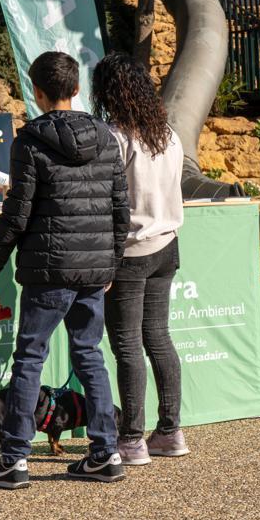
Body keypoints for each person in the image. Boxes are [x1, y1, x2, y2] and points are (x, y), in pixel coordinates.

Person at [0, 51, 130, 489]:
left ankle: (14, 460)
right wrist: (111, 262)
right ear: (76, 89)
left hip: (48, 270)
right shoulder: (105, 136)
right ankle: (105, 452)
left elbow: (16, 215)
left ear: (37, 92)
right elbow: (122, 208)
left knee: (29, 359)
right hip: (94, 269)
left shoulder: (29, 140)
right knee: (89, 356)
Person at [92, 52, 188, 466]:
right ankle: (169, 431)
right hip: (167, 244)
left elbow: (106, 200)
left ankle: (132, 438)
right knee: (158, 338)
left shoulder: (115, 137)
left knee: (128, 345)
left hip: (129, 251)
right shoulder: (167, 133)